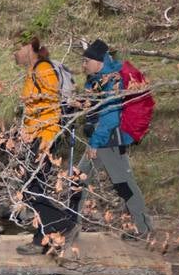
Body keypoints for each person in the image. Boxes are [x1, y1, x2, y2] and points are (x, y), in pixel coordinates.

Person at [75, 39, 153, 239]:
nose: (83, 66)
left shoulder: (112, 80)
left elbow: (110, 118)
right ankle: (69, 224)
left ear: (97, 61)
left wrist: (94, 143)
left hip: (109, 141)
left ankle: (145, 229)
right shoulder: (97, 79)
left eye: (86, 61)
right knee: (79, 179)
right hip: (101, 140)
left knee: (123, 184)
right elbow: (94, 108)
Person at [13, 37, 78, 255]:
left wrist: (46, 140)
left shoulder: (43, 70)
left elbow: (53, 103)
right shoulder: (34, 70)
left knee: (32, 188)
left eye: (18, 48)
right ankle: (44, 235)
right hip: (38, 136)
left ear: (30, 48)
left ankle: (61, 226)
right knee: (33, 187)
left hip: (46, 136)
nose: (15, 53)